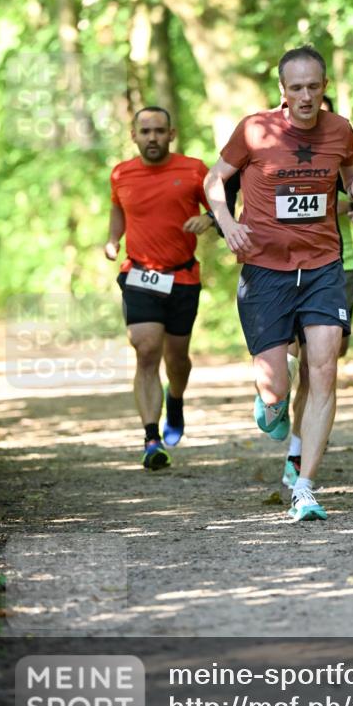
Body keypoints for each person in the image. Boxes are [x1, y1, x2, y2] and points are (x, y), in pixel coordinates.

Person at [204, 46, 353, 521]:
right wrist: (226, 221)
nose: (305, 96)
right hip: (265, 271)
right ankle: (273, 406)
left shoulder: (340, 129)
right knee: (276, 387)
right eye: (296, 87)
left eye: (313, 87)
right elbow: (214, 179)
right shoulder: (254, 129)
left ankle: (305, 485)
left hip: (322, 266)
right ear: (283, 90)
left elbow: (351, 174)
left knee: (324, 370)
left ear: (324, 87)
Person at [282, 93, 353, 489]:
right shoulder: (275, 148)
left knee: (320, 365)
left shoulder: (344, 146)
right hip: (285, 269)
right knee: (296, 362)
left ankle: (297, 449)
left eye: (326, 109)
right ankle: (276, 398)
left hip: (338, 268)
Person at [105, 106, 214, 470]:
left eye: (159, 131)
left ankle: (176, 398)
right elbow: (118, 209)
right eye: (146, 131)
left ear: (172, 133)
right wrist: (112, 240)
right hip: (139, 275)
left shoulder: (194, 169)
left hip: (183, 277)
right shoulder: (121, 173)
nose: (153, 137)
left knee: (177, 358)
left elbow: (222, 203)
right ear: (134, 135)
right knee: (147, 348)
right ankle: (151, 438)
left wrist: (209, 218)